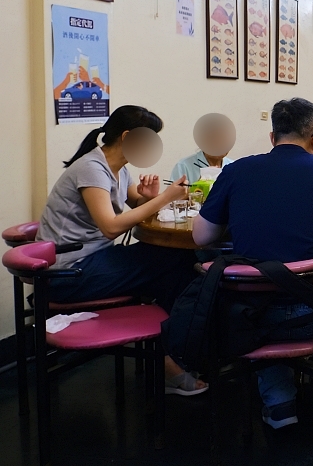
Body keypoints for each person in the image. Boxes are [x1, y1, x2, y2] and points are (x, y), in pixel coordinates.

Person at [193, 98, 313, 431]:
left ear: (272, 137)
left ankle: (279, 404)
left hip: (254, 314)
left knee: (259, 293)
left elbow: (201, 236)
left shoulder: (235, 171)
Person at [36, 105, 205, 396]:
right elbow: (111, 227)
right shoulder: (92, 167)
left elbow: (136, 205)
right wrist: (165, 197)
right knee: (179, 261)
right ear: (127, 137)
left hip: (91, 263)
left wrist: (149, 198)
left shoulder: (118, 168)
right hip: (67, 274)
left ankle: (171, 357)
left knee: (178, 268)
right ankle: (171, 360)